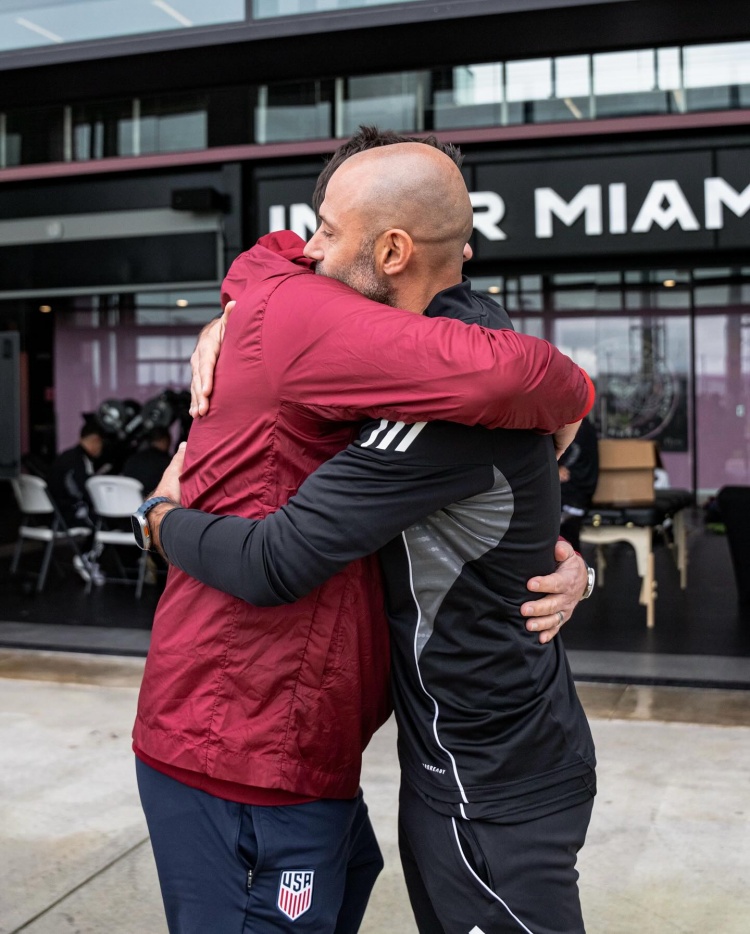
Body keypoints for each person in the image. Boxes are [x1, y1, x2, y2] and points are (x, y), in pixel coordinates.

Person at [133, 139, 593, 934]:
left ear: (393, 249)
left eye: (327, 230)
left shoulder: (438, 386)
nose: (310, 249)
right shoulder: (325, 320)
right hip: (274, 739)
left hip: (434, 761)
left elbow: (499, 391)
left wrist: (158, 521)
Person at [48, 421, 105, 585]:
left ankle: (87, 557)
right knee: (103, 520)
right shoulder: (80, 461)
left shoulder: (65, 456)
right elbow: (84, 491)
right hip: (68, 514)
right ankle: (86, 557)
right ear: (95, 441)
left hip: (54, 514)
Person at [559, 417, 600, 551]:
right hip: (574, 496)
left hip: (572, 497)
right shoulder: (577, 420)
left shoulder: (575, 425)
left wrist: (554, 468)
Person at [122, 426, 173, 495]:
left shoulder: (133, 458)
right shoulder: (167, 463)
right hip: (153, 502)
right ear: (164, 440)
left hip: (130, 498)